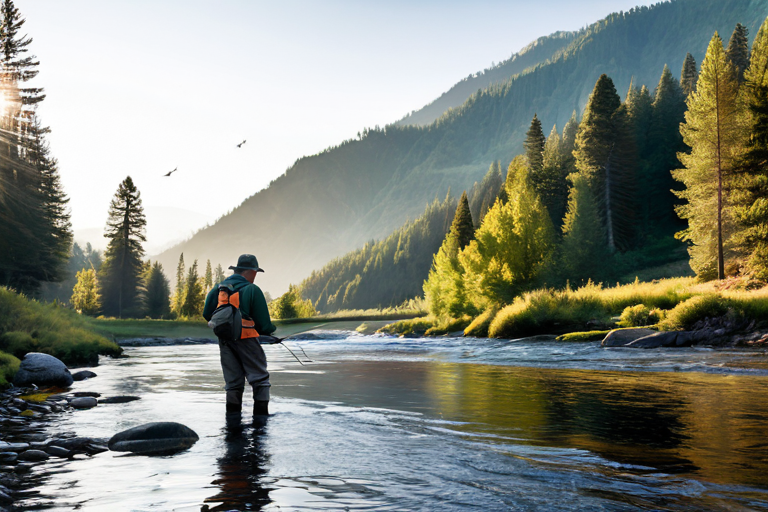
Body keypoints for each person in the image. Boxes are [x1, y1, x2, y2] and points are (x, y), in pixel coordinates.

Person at [203, 254, 276, 417]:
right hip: (247, 339)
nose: (256, 276)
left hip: (225, 341)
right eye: (256, 272)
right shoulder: (252, 290)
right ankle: (261, 423)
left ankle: (233, 424)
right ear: (250, 271)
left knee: (233, 383)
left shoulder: (218, 288)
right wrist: (272, 331)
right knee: (260, 380)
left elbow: (207, 314)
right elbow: (264, 324)